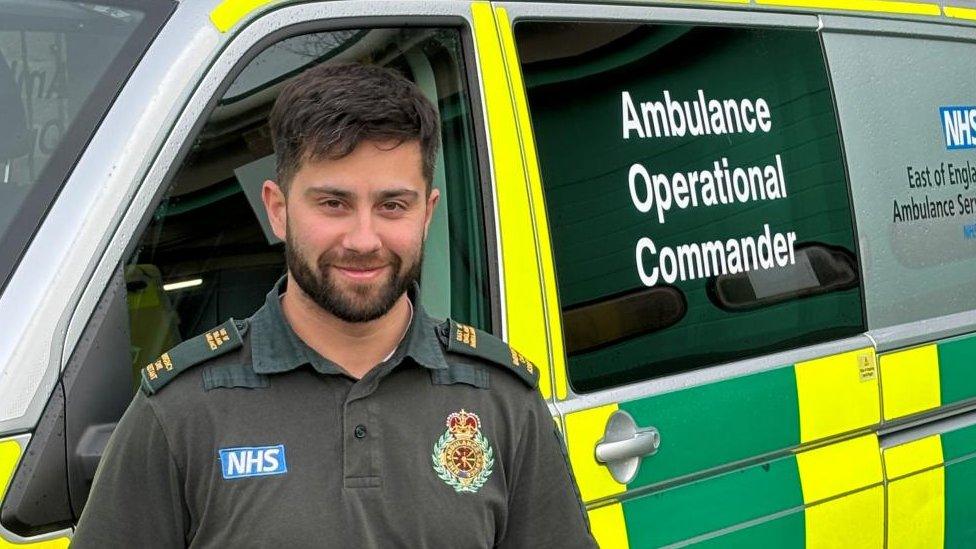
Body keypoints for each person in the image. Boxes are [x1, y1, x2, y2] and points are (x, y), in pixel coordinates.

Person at [71, 63, 597, 548]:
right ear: (277, 210)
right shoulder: (181, 411)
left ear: (426, 213)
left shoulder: (501, 402)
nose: (364, 239)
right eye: (333, 203)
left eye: (392, 205)